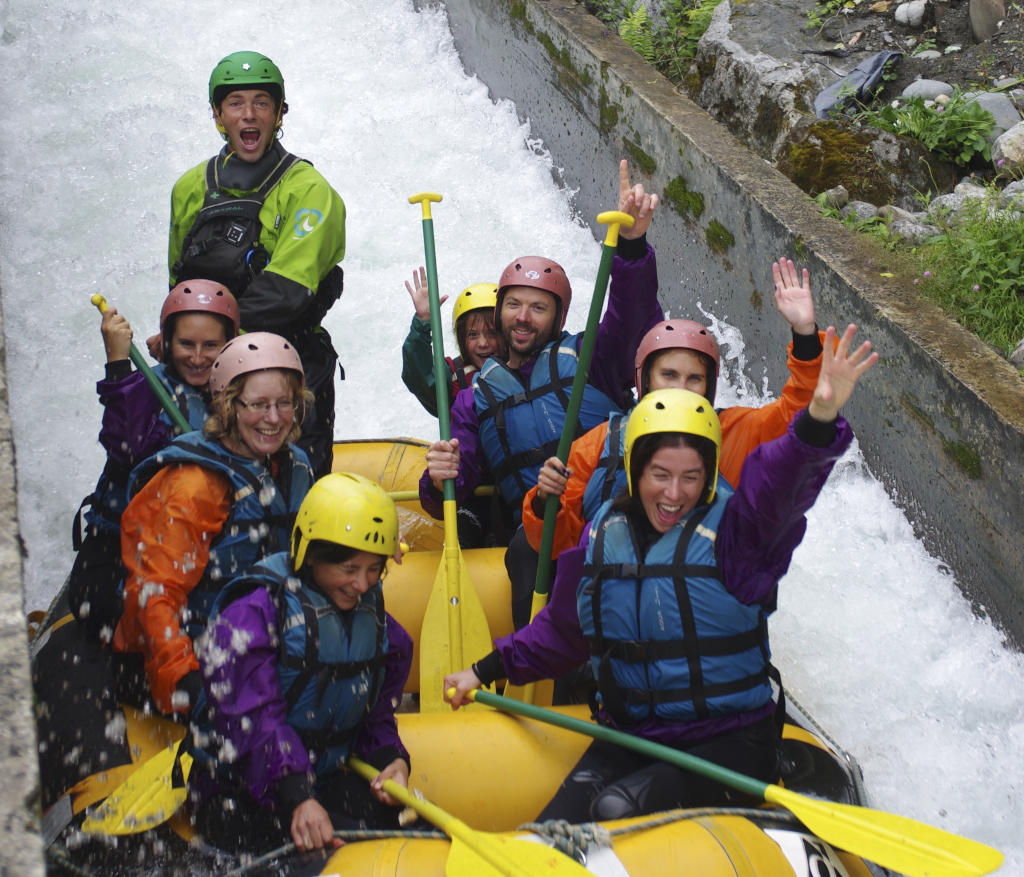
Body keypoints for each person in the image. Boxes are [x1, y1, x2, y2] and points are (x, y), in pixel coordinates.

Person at [445, 324, 878, 822]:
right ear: (634, 471)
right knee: (548, 827)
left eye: (691, 477)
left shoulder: (740, 536)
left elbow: (781, 483)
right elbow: (563, 629)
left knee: (613, 808)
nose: (675, 494)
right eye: (660, 475)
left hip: (726, 744)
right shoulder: (602, 535)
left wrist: (819, 416)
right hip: (632, 736)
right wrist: (482, 670)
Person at [420, 161, 664, 626]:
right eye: (513, 305)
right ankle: (547, 670)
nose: (523, 317)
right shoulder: (474, 396)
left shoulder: (591, 358)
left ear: (558, 316)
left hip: (613, 508)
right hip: (539, 528)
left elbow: (631, 314)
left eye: (538, 307)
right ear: (499, 313)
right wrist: (436, 478)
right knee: (525, 548)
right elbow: (457, 481)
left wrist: (631, 246)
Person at [520, 258, 826, 565]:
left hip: (696, 590)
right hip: (615, 591)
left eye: (694, 378)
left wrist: (805, 334)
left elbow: (801, 414)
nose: (681, 387)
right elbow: (559, 542)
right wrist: (546, 500)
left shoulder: (734, 430)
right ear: (644, 380)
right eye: (669, 375)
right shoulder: (599, 443)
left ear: (709, 387)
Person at [192, 473, 413, 854]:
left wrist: (391, 758)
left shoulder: (375, 622)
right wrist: (297, 795)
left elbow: (372, 713)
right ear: (311, 553)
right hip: (239, 787)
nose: (363, 584)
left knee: (409, 830)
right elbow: (254, 721)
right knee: (316, 857)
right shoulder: (254, 614)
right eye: (349, 568)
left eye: (374, 569)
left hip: (319, 777)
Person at [163, 51, 346, 478]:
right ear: (217, 114)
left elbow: (287, 288)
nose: (249, 114)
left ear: (280, 113)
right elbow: (178, 286)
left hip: (289, 364)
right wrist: (184, 343)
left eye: (262, 102)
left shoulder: (309, 190)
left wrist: (210, 342)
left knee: (295, 494)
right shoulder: (190, 187)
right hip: (207, 364)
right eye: (235, 103)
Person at [111, 332, 314, 717]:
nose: (273, 419)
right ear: (227, 406)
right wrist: (186, 680)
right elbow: (156, 595)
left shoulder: (296, 463)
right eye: (257, 404)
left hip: (258, 643)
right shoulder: (195, 484)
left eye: (284, 403)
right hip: (192, 653)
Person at [69, 281, 240, 642]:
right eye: (186, 344)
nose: (197, 358)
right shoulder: (145, 388)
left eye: (211, 345)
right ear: (167, 342)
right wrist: (117, 362)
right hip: (120, 550)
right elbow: (127, 447)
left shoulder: (240, 391)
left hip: (192, 548)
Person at [401, 270, 505, 417]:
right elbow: (417, 372)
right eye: (473, 335)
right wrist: (422, 322)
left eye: (492, 333)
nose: (482, 343)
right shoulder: (451, 376)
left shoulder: (524, 364)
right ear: (461, 339)